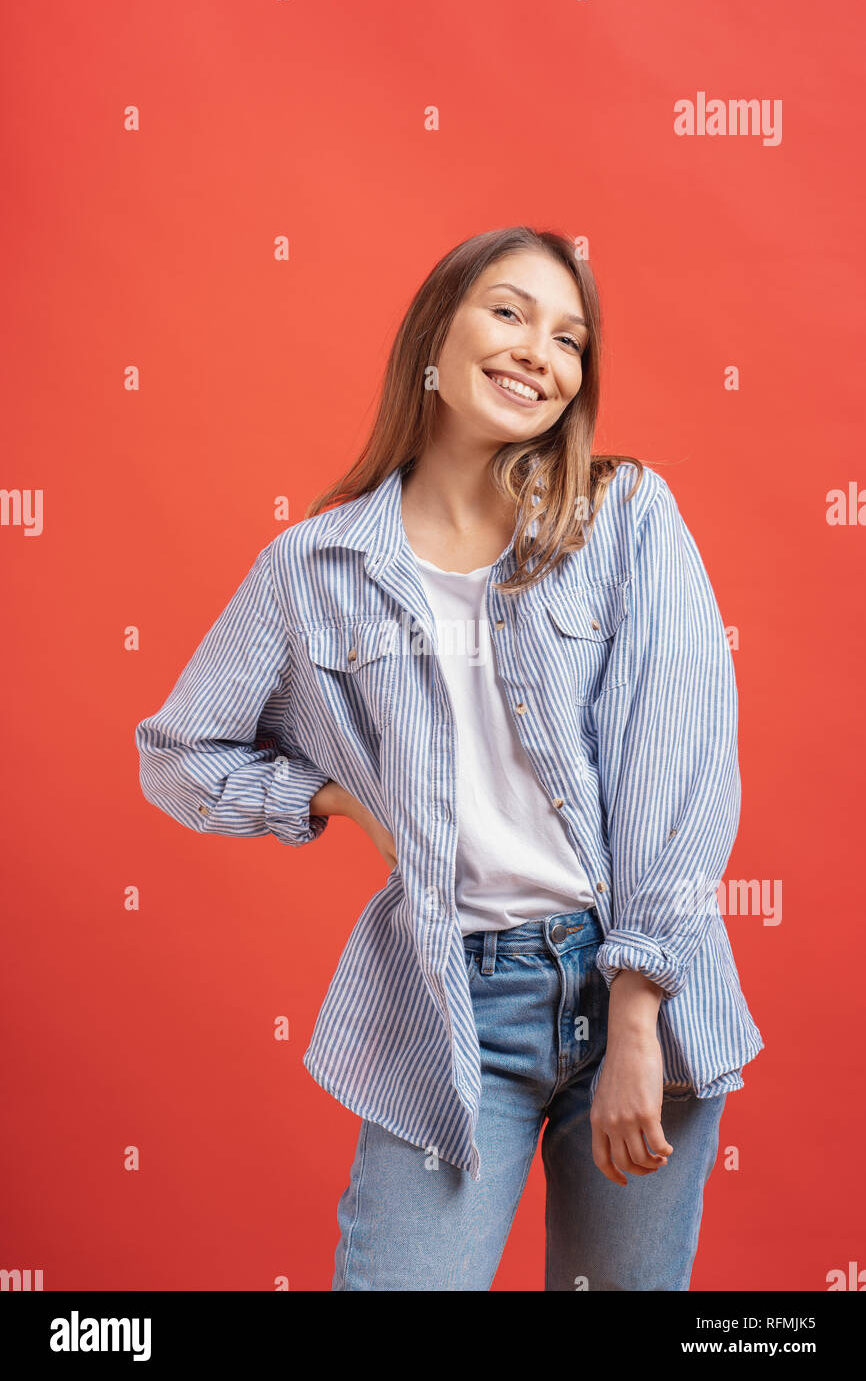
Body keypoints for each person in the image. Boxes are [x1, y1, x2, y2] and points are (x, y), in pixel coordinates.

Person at [135, 225, 764, 1291]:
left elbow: (681, 769)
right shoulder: (314, 567)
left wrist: (633, 1010)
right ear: (435, 339)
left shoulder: (623, 519)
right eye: (510, 313)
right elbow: (178, 754)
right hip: (454, 997)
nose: (539, 353)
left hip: (640, 981)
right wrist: (332, 796)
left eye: (569, 340)